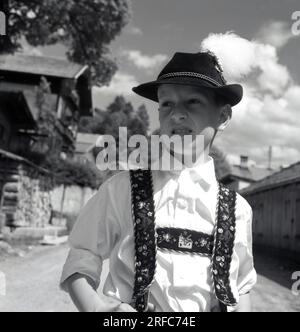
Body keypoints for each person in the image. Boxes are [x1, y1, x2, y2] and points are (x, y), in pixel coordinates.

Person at [60, 51, 257, 312]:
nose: (176, 114)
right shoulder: (122, 189)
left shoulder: (239, 209)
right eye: (166, 104)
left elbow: (242, 286)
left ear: (222, 117)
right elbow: (81, 258)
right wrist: (101, 311)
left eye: (193, 101)